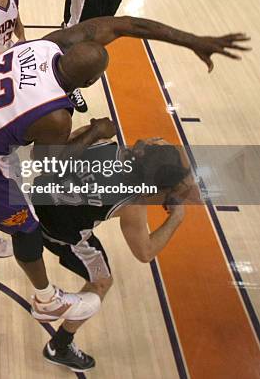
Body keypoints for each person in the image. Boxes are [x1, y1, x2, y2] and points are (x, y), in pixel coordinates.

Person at [0, 13, 249, 327]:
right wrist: (96, 131)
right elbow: (48, 164)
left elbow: (126, 24)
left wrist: (192, 41)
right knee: (24, 228)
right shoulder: (55, 118)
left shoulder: (46, 46)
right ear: (90, 82)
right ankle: (47, 300)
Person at [32, 129, 196, 371]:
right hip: (61, 234)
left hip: (34, 199)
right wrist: (176, 218)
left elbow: (52, 154)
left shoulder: (102, 143)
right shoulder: (132, 202)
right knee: (102, 283)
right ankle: (60, 345)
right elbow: (145, 253)